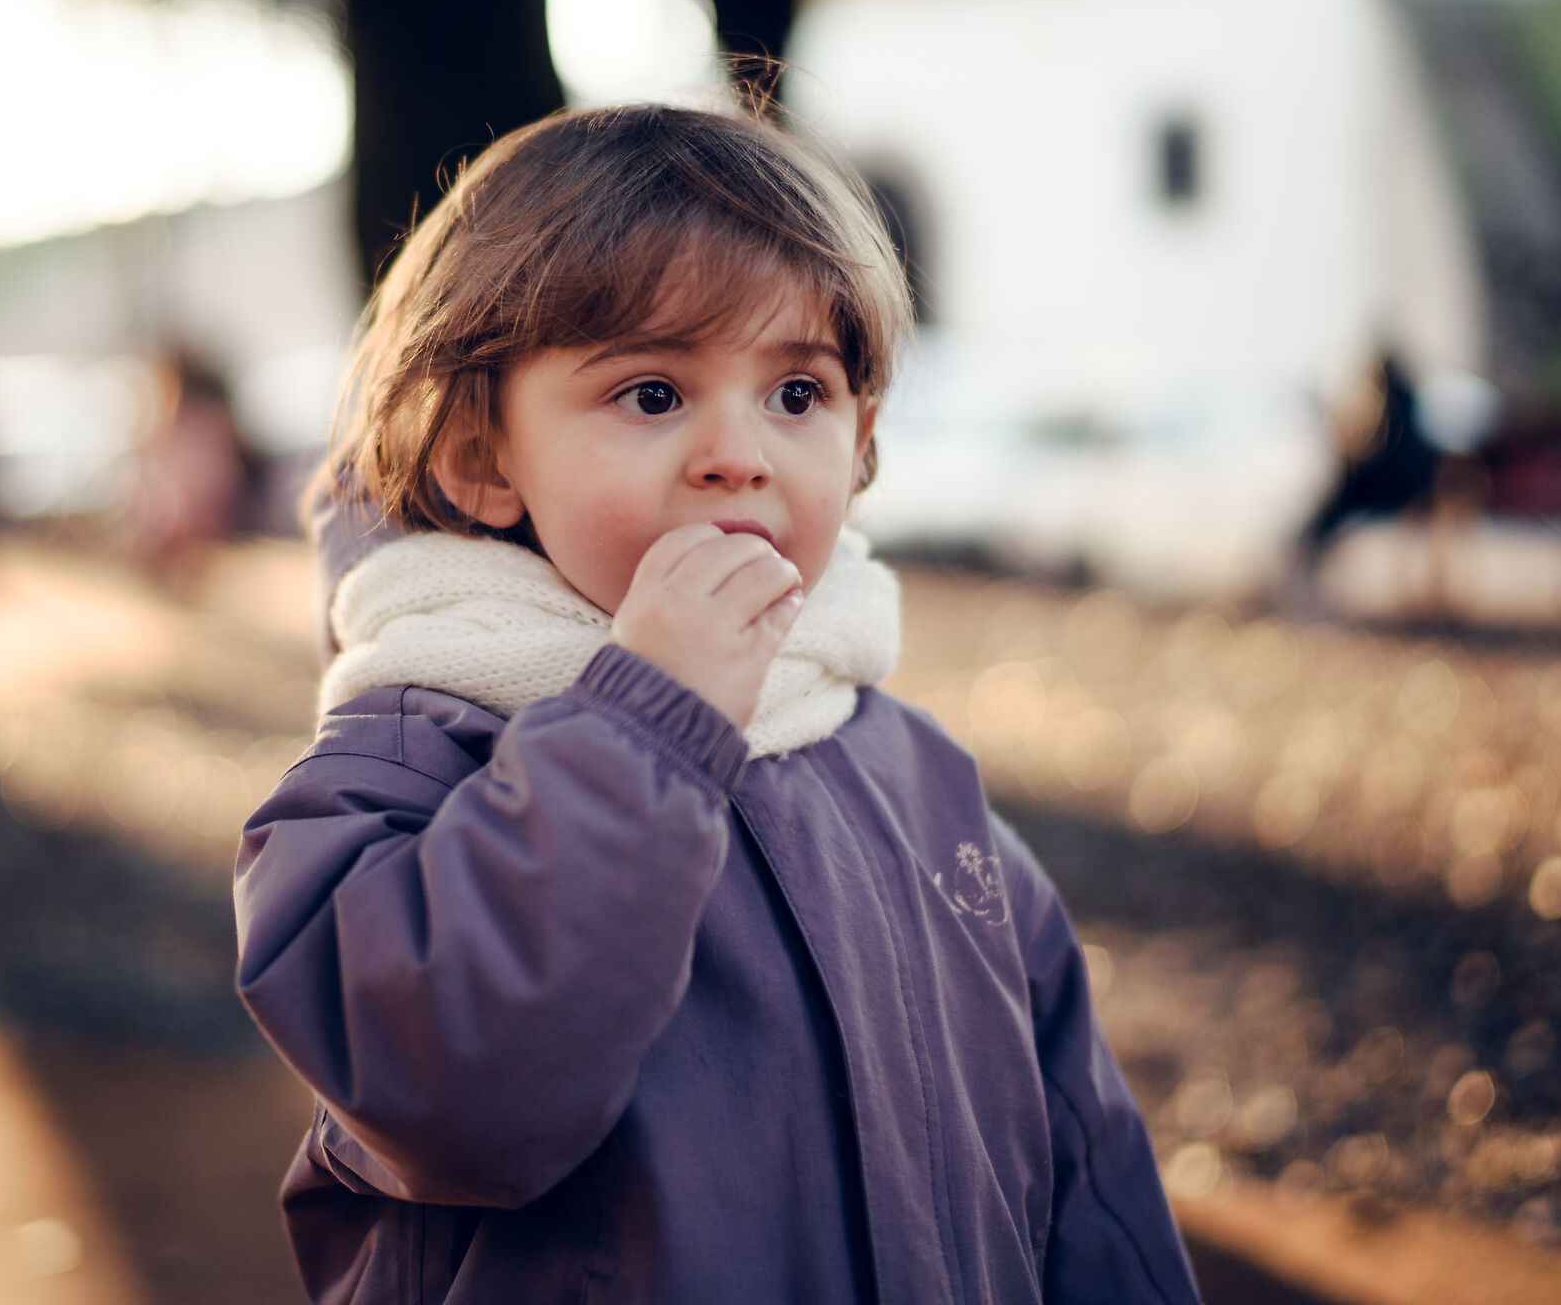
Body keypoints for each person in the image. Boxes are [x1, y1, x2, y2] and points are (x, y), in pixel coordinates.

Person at [234, 103, 1201, 1305]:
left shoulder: (912, 776)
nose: (737, 454)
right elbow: (461, 1102)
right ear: (482, 457)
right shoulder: (397, 770)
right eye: (651, 394)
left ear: (859, 445)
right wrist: (645, 722)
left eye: (798, 393)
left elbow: (1084, 1167)